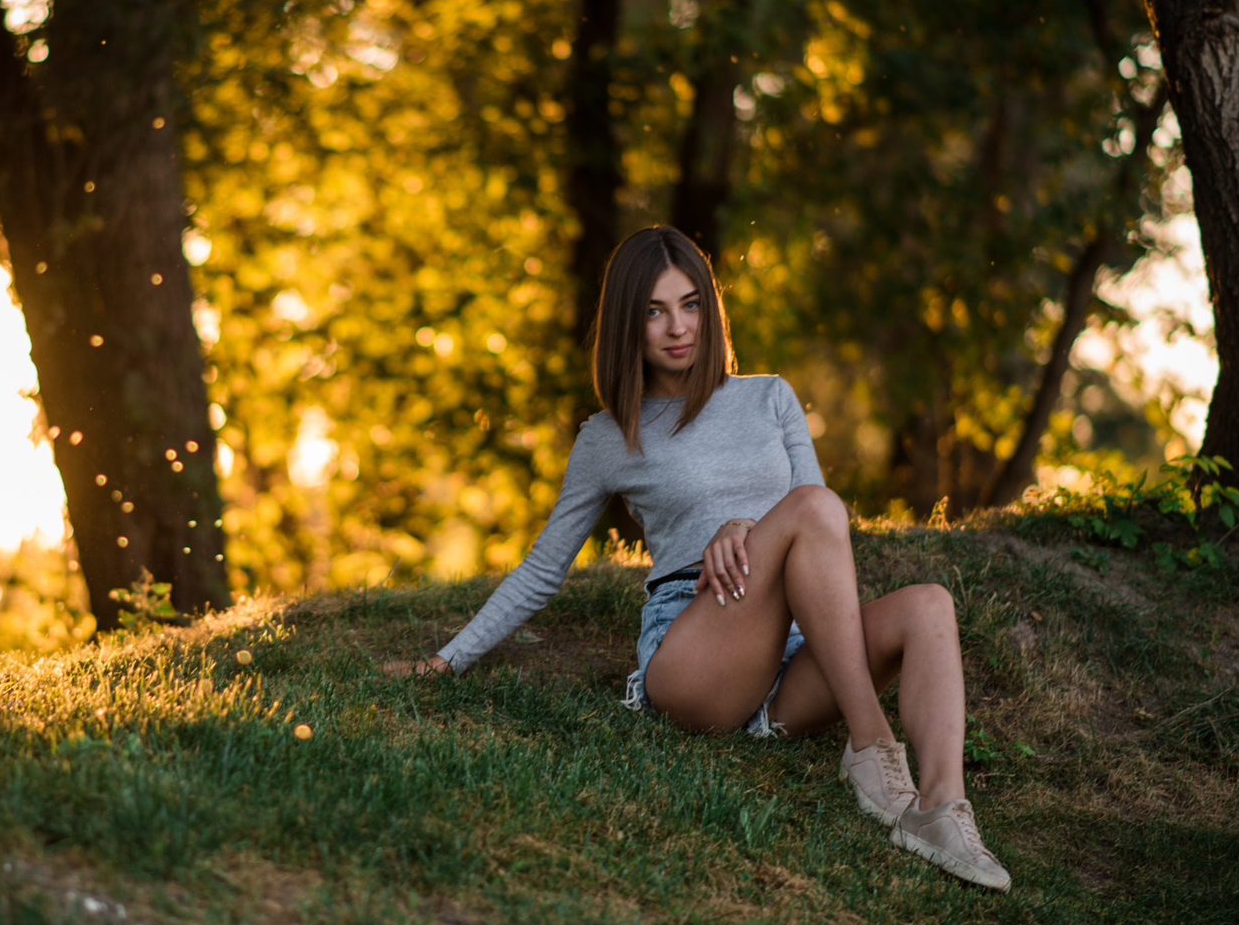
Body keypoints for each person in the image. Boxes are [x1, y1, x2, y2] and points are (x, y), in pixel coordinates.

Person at [382, 225, 1011, 890]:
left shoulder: (768, 396)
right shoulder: (608, 435)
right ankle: (872, 748)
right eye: (654, 311)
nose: (677, 327)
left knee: (928, 605)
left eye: (690, 304)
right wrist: (446, 660)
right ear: (627, 323)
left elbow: (819, 524)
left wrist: (748, 526)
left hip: (797, 649)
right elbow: (544, 569)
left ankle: (940, 811)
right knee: (811, 508)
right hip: (697, 650)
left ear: (711, 308)